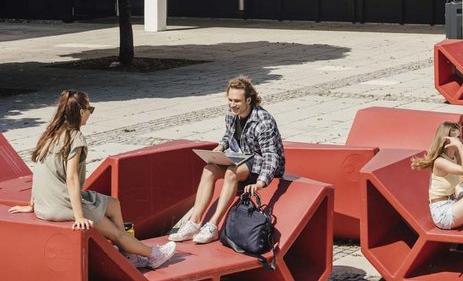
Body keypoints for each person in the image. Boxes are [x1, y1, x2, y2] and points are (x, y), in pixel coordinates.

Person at [9, 90, 176, 270]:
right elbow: (72, 178)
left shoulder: (51, 134)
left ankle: (129, 253)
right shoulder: (75, 137)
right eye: (90, 109)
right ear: (81, 112)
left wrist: (32, 204)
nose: (90, 113)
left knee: (113, 204)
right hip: (61, 203)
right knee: (115, 233)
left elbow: (41, 172)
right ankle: (153, 255)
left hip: (45, 203)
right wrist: (79, 216)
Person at [170, 76, 285, 244]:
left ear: (248, 100)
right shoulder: (231, 114)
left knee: (231, 173)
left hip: (260, 165)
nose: (232, 104)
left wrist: (261, 182)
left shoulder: (263, 121)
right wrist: (221, 147)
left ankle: (213, 226)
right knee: (209, 168)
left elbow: (270, 155)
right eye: (230, 100)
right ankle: (193, 223)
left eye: (237, 101)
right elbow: (228, 135)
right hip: (241, 158)